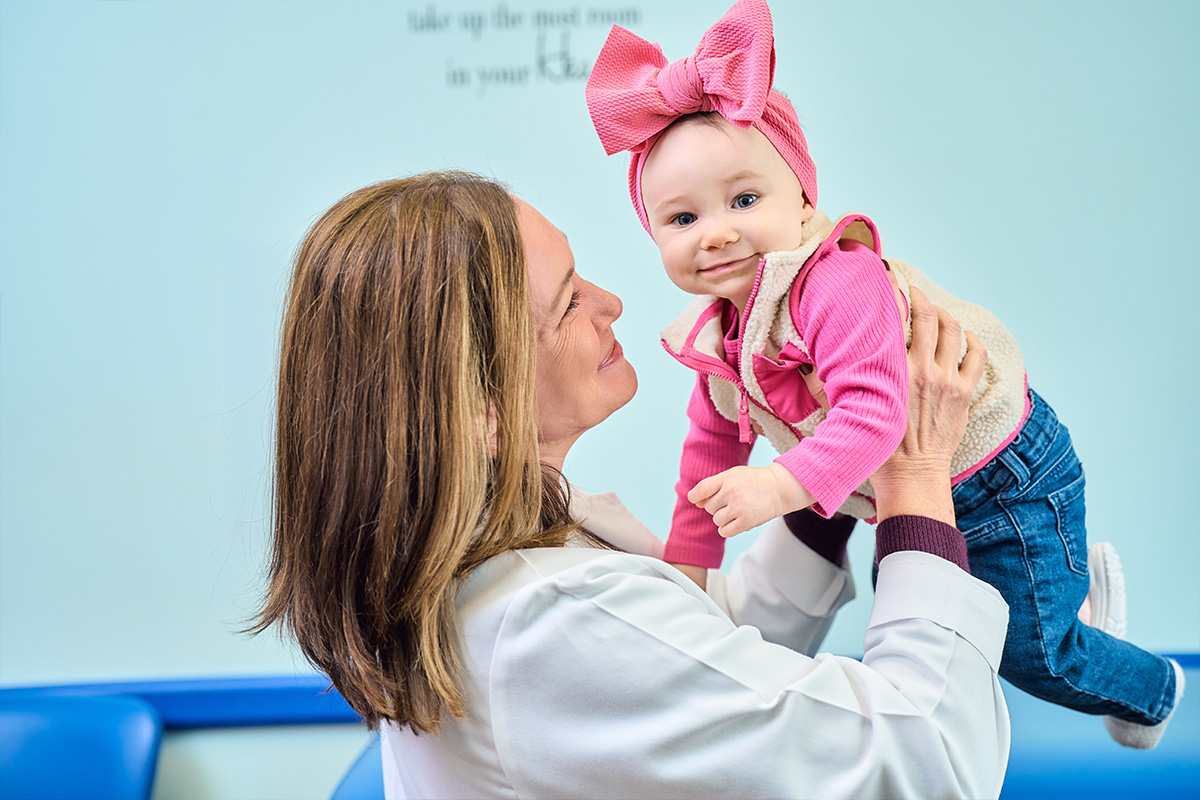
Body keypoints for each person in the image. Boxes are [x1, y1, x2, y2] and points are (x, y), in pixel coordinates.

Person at [253, 171, 1012, 798]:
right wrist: (912, 475)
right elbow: (929, 767)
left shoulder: (495, 566)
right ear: (481, 407)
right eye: (568, 302)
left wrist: (825, 463)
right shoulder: (554, 622)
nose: (610, 302)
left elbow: (705, 658)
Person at [584, 0, 1183, 749]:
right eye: (682, 220)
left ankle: (1154, 686)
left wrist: (775, 487)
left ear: (801, 196)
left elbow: (872, 413)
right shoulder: (719, 331)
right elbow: (705, 455)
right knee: (930, 604)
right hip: (900, 479)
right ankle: (1063, 593)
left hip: (1000, 473)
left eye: (744, 199)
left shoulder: (837, 279)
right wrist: (689, 578)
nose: (719, 232)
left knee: (1027, 652)